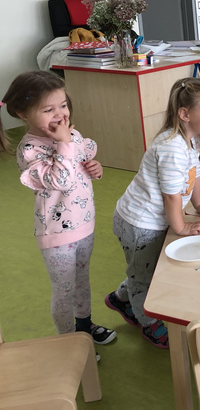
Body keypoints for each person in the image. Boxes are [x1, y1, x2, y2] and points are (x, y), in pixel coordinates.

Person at [106, 77, 200, 348]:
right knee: (145, 277)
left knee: (145, 267)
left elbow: (194, 173)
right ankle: (148, 323)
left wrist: (199, 204)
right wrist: (181, 227)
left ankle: (119, 299)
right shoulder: (171, 147)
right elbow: (171, 196)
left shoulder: (191, 139)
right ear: (185, 114)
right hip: (139, 224)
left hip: (153, 221)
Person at [1, 71, 115, 344]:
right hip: (57, 234)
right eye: (48, 109)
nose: (60, 114)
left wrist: (94, 168)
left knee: (82, 281)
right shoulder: (30, 150)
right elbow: (61, 180)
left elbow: (81, 161)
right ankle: (67, 341)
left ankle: (85, 325)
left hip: (84, 223)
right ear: (23, 113)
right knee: (64, 289)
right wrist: (65, 142)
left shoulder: (70, 134)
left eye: (63, 105)